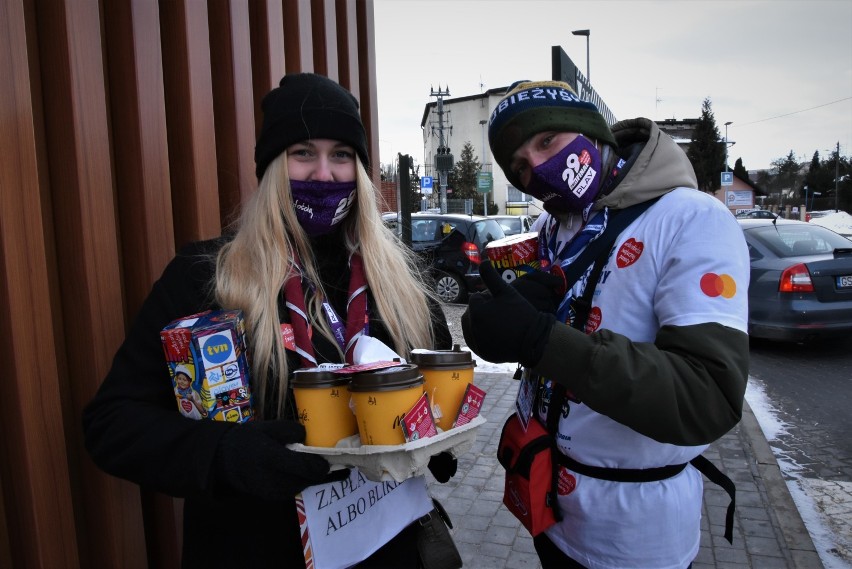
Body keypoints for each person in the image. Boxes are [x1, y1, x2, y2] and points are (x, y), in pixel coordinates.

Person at [83, 73, 454, 568]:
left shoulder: (399, 283)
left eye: (341, 155)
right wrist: (224, 455)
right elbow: (112, 424)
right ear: (272, 167)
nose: (324, 174)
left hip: (388, 544)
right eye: (303, 152)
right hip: (254, 546)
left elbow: (432, 383)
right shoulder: (205, 279)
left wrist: (437, 433)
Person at [462, 80, 750, 569]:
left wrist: (542, 339)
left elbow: (708, 396)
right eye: (520, 166)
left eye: (547, 141)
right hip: (551, 507)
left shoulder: (691, 219)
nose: (537, 168)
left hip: (634, 535)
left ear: (591, 133)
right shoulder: (551, 228)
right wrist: (493, 325)